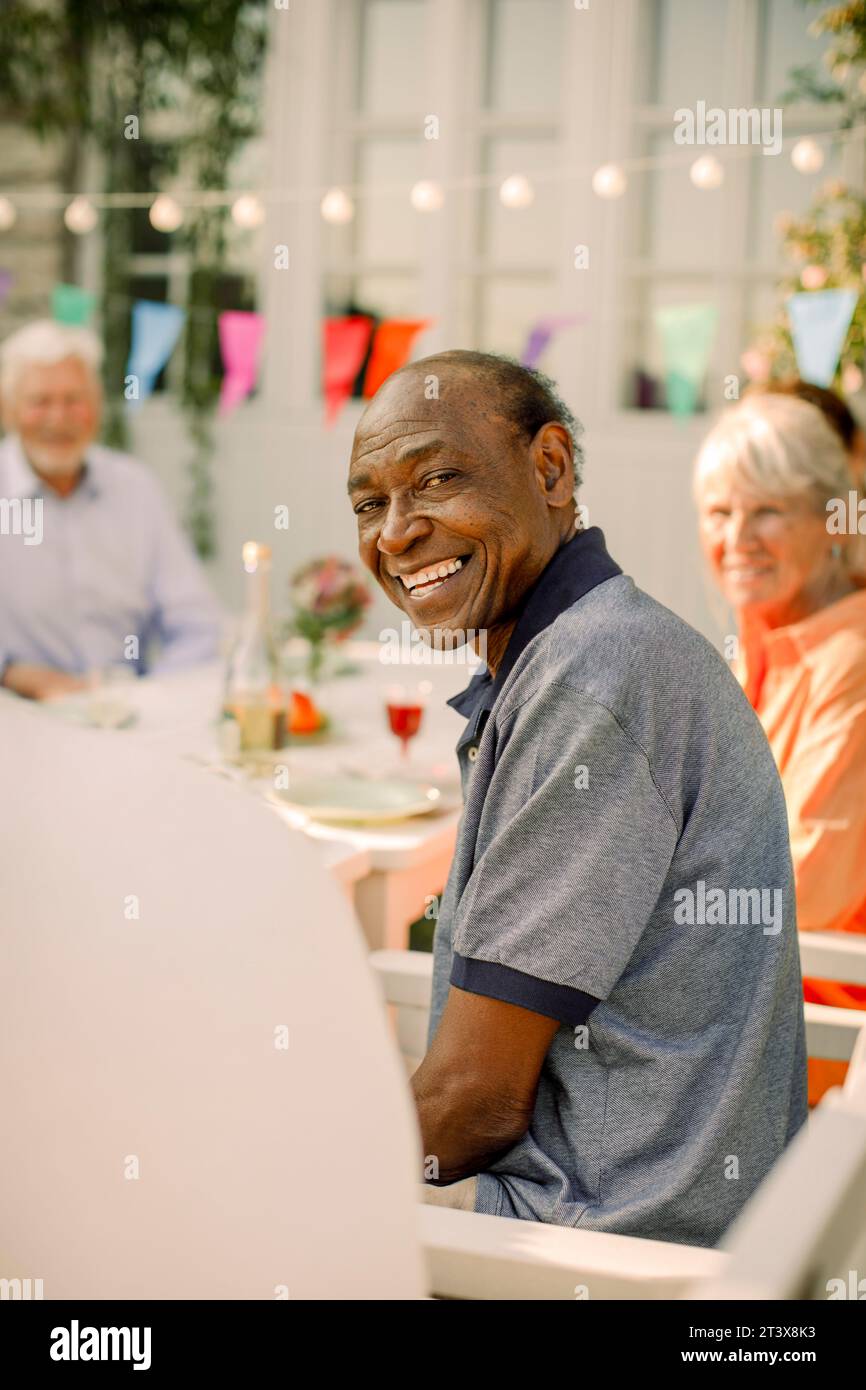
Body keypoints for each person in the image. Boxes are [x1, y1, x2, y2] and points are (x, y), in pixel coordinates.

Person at [348, 349, 807, 1248]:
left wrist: (285, 1182)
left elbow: (472, 1108)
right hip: (626, 1187)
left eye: (437, 479)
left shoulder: (592, 680)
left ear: (550, 468)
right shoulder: (586, 645)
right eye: (370, 502)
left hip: (604, 1235)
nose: (397, 532)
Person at [694, 393, 866, 1105]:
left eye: (766, 511)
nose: (738, 539)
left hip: (816, 1039)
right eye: (719, 513)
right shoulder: (760, 645)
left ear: (832, 519)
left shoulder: (851, 659)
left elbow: (802, 889)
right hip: (730, 1009)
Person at [0, 319, 222, 699]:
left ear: (97, 408)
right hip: (20, 716)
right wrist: (15, 673)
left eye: (74, 400)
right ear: (8, 410)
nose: (59, 418)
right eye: (40, 402)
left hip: (129, 710)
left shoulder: (135, 488)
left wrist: (152, 695)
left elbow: (197, 624)